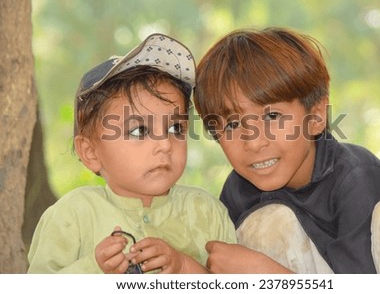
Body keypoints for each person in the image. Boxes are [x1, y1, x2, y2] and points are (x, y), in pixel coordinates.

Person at [194, 27, 380, 273]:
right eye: (233, 124)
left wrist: (272, 276)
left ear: (315, 116)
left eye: (272, 116)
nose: (253, 142)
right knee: (265, 225)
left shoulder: (356, 179)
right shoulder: (239, 190)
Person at [28, 33, 236, 274]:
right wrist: (93, 269)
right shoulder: (71, 216)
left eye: (175, 128)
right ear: (91, 152)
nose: (165, 144)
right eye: (139, 130)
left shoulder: (207, 212)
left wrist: (183, 267)